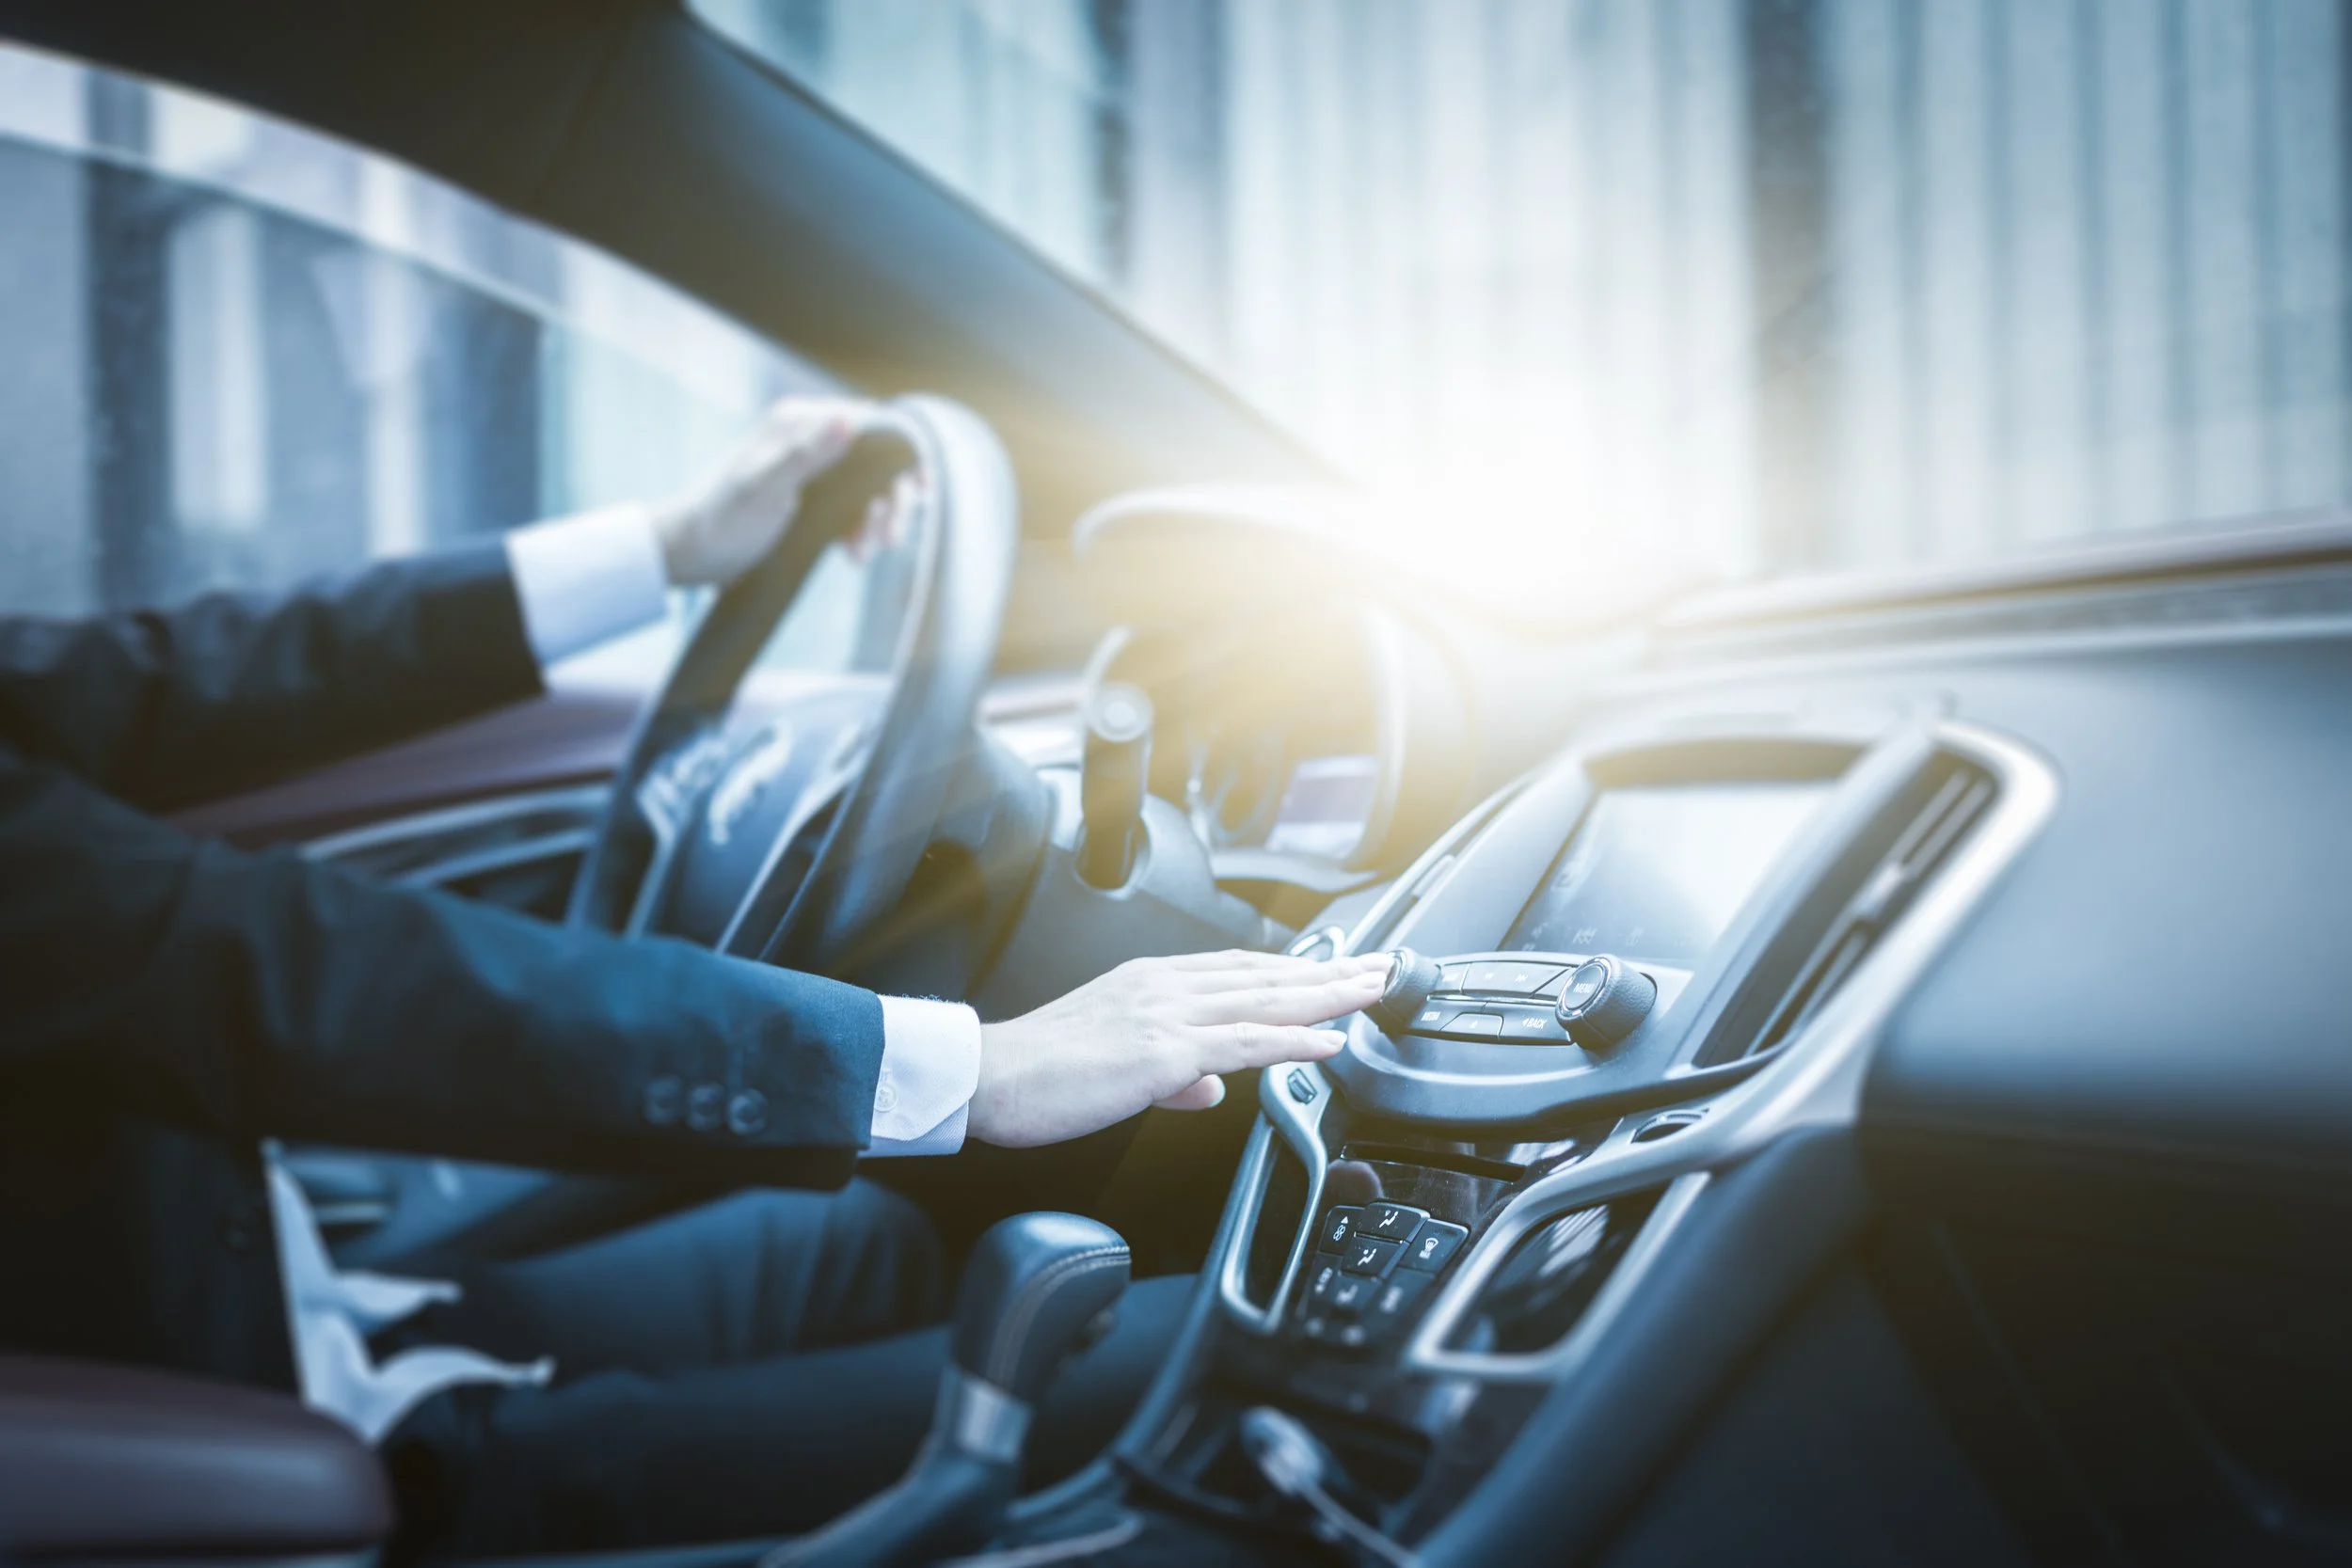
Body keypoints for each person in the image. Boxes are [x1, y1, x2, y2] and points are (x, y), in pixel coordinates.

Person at [0, 396, 1385, 1553]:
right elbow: (255, 961)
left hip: (263, 1296)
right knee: (1206, 1363)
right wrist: (987, 1063)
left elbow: (119, 689)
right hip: (237, 1440)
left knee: (890, 1241)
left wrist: (666, 550)